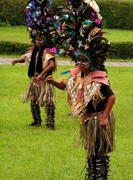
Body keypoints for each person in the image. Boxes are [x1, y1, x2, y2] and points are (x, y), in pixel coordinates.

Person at [46, 51, 116, 179]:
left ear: (92, 63)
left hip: (99, 118)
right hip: (88, 120)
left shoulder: (99, 79)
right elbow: (64, 86)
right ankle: (92, 175)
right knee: (90, 149)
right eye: (78, 60)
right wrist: (53, 82)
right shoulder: (76, 76)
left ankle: (102, 177)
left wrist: (105, 117)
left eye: (85, 61)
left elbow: (111, 97)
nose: (80, 63)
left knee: (101, 149)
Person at [11, 34, 57, 130]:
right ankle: (36, 121)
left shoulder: (47, 52)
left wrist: (41, 74)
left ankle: (50, 123)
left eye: (41, 40)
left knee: (49, 101)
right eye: (37, 40)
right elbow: (25, 59)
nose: (38, 42)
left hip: (45, 81)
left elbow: (51, 65)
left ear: (45, 41)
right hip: (35, 81)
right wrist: (16, 60)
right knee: (33, 99)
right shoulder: (33, 52)